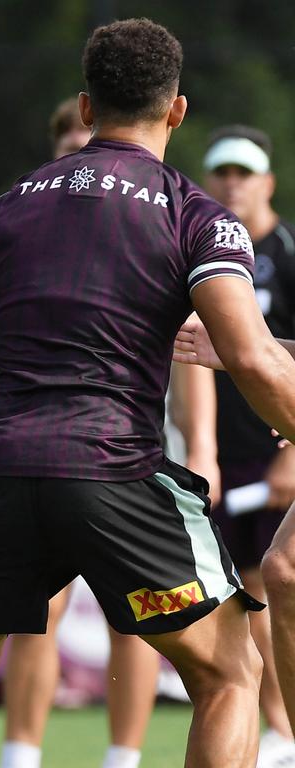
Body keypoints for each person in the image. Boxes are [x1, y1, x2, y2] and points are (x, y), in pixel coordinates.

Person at [0, 18, 295, 767]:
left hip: (0, 479)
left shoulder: (7, 209)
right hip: (116, 474)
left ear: (85, 109)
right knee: (229, 674)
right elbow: (254, 360)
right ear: (177, 110)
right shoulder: (198, 217)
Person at [0, 98, 160, 768]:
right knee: (39, 610)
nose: (81, 159)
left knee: (139, 618)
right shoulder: (22, 225)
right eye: (69, 145)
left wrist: (201, 447)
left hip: (137, 447)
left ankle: (121, 760)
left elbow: (199, 345)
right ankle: (21, 757)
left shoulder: (151, 221)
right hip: (45, 445)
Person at [177, 125, 295, 766]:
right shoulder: (202, 249)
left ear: (266, 182)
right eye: (221, 172)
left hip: (278, 452)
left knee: (274, 581)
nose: (232, 183)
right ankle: (280, 729)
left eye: (244, 173)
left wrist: (294, 452)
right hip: (220, 461)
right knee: (255, 589)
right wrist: (202, 448)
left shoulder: (289, 251)